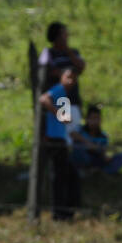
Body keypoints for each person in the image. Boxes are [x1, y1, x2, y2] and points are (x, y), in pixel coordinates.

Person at [39, 67, 82, 221]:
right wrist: (60, 114)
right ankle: (59, 213)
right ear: (61, 77)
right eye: (68, 77)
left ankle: (65, 211)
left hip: (61, 140)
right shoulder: (58, 89)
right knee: (59, 177)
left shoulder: (64, 94)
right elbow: (44, 99)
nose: (71, 81)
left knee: (65, 176)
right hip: (55, 141)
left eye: (74, 79)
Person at [71, 105, 122, 174]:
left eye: (97, 118)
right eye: (92, 118)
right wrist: (88, 143)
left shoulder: (103, 136)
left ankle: (99, 172)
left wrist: (105, 156)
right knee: (79, 149)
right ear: (87, 119)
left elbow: (103, 153)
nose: (94, 121)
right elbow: (72, 134)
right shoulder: (80, 130)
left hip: (97, 160)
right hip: (83, 159)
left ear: (100, 120)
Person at [40, 21, 86, 97]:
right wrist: (63, 74)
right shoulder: (47, 53)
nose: (67, 36)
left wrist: (68, 51)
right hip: (55, 98)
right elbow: (43, 72)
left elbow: (81, 66)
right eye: (64, 34)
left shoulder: (74, 52)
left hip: (73, 99)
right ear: (56, 36)